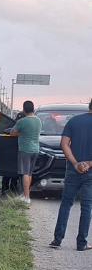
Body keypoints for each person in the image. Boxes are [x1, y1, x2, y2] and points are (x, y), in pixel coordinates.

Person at [50, 99, 92, 251]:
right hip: (91, 173)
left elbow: (64, 144)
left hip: (73, 170)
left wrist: (75, 163)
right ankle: (82, 243)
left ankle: (57, 239)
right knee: (87, 206)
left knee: (66, 203)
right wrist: (88, 164)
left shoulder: (74, 121)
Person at [9, 101, 41, 204]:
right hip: (35, 149)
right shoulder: (38, 120)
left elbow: (12, 133)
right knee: (29, 173)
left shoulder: (22, 121)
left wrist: (19, 133)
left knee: (25, 173)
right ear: (33, 108)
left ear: (24, 109)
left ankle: (27, 197)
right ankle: (24, 194)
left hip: (25, 150)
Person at [2, 111, 25, 195]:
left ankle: (14, 189)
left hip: (20, 151)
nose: (19, 121)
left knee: (16, 173)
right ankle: (4, 189)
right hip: (8, 152)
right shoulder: (12, 126)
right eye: (18, 119)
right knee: (6, 172)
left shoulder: (25, 127)